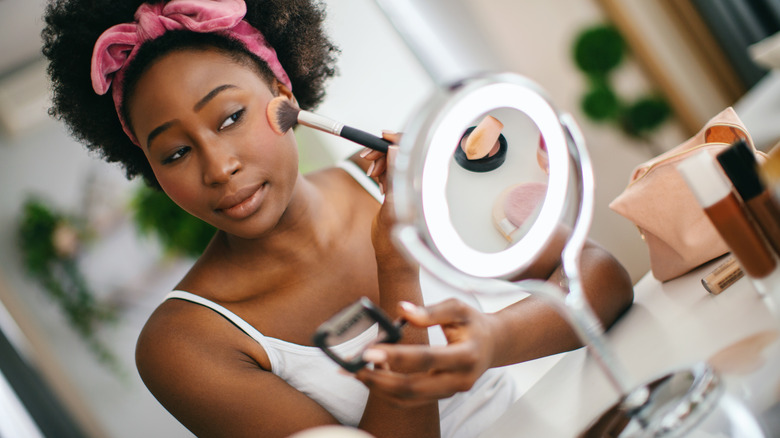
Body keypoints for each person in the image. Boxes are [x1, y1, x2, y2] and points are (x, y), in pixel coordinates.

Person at [42, 0, 634, 437]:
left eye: (228, 118)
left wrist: (493, 340)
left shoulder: (395, 181)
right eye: (174, 152)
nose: (218, 167)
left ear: (283, 94)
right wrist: (397, 268)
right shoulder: (184, 345)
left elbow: (601, 279)